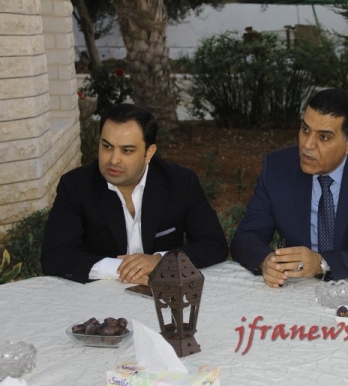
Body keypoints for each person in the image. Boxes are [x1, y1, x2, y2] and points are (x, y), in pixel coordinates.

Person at [231, 88, 348, 287]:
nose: (308, 145)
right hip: (296, 289)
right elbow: (246, 236)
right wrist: (266, 261)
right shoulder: (278, 168)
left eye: (324, 137)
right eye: (305, 130)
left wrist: (322, 263)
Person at [41, 104, 228, 284]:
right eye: (107, 146)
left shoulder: (180, 183)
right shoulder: (76, 185)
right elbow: (54, 255)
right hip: (98, 293)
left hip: (163, 293)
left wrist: (161, 261)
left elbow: (214, 244)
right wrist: (121, 269)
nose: (114, 159)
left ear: (149, 153)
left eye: (127, 150)